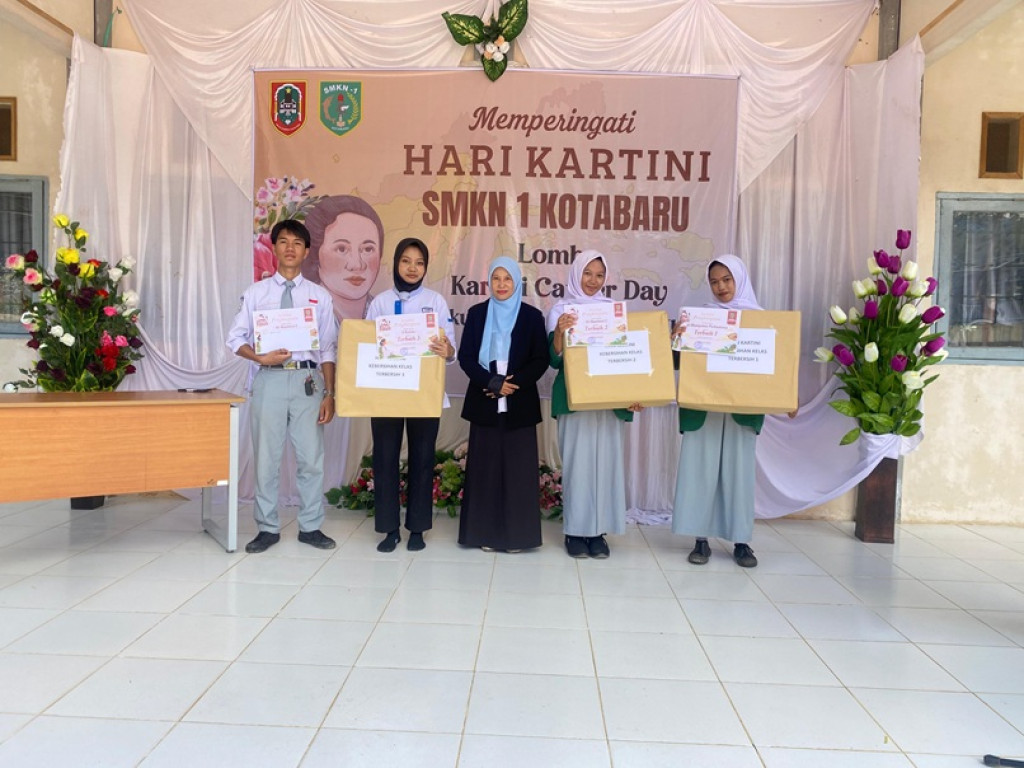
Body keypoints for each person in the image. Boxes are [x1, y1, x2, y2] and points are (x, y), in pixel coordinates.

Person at [226, 219, 339, 554]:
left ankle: (311, 526)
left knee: (311, 458)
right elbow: (235, 338)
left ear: (307, 251)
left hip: (308, 382)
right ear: (274, 247)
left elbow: (328, 349)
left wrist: (329, 393)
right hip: (269, 380)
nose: (290, 248)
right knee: (266, 459)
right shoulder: (256, 293)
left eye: (297, 243)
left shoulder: (319, 296)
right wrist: (259, 357)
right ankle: (267, 528)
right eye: (284, 241)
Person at [547, 251, 642, 559]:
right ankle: (575, 532)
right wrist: (560, 332)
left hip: (608, 400)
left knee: (606, 466)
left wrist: (634, 394)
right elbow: (554, 360)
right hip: (575, 399)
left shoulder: (613, 310)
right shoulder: (561, 309)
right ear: (576, 274)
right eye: (587, 273)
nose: (593, 280)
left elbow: (624, 356)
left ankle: (598, 532)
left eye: (599, 275)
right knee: (578, 467)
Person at [672, 254, 765, 568]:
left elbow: (775, 367)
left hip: (742, 408)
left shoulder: (760, 319)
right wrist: (677, 339)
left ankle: (741, 541)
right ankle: (700, 539)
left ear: (740, 279)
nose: (721, 287)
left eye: (727, 280)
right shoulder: (701, 318)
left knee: (739, 476)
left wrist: (786, 398)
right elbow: (678, 363)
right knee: (700, 471)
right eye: (714, 282)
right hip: (703, 406)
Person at [365, 238, 456, 552]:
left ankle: (417, 528)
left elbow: (451, 350)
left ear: (425, 267)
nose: (412, 268)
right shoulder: (379, 303)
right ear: (396, 264)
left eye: (419, 262)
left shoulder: (436, 302)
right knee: (385, 458)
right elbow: (366, 345)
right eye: (406, 261)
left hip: (423, 393)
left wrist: (447, 349)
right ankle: (389, 529)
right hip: (387, 392)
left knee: (422, 457)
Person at [457, 256, 549, 552]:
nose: (501, 284)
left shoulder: (532, 316)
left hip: (520, 401)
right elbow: (466, 357)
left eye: (507, 278)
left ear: (517, 282)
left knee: (518, 471)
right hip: (484, 399)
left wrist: (512, 384)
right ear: (489, 281)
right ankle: (482, 534)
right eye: (496, 278)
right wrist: (491, 382)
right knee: (485, 469)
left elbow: (541, 359)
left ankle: (517, 538)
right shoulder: (477, 314)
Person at [303, 194, 384, 321]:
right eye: (341, 249)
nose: (357, 265)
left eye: (368, 249)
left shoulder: (384, 311)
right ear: (315, 253)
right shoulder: (302, 310)